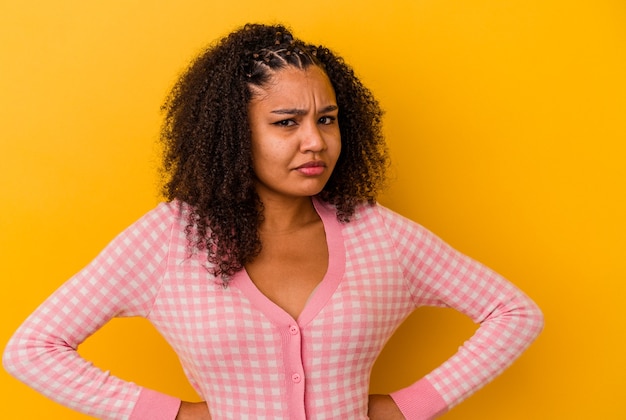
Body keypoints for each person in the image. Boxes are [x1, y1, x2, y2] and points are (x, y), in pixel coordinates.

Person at [2, 23, 543, 420]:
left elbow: (514, 312)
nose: (316, 141)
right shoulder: (171, 238)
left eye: (327, 119)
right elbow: (33, 350)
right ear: (234, 134)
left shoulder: (376, 233)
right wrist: (174, 415)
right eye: (287, 122)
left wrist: (408, 407)